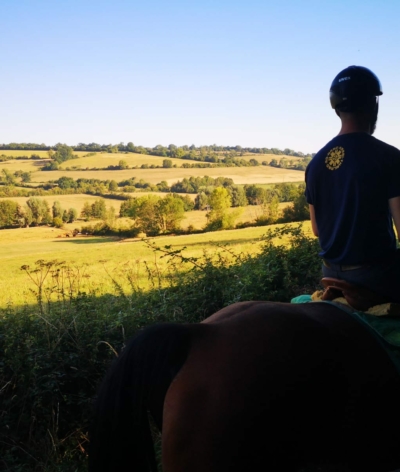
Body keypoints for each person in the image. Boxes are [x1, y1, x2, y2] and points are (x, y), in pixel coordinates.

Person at [305, 65, 400, 303]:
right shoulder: (389, 157)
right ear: (373, 105)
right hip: (376, 276)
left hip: (329, 272)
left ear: (337, 110)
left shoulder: (315, 164)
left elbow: (317, 230)